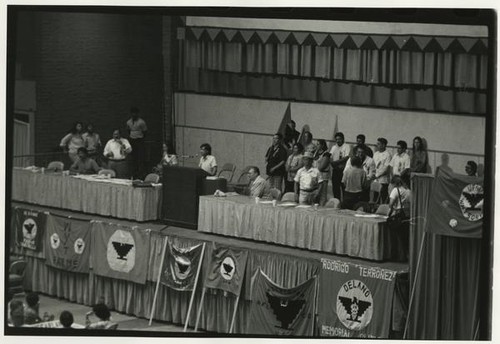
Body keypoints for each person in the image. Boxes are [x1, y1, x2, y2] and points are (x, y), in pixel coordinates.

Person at [126, 106, 148, 179]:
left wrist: (141, 138)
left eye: (135, 113)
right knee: (133, 158)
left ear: (137, 114)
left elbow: (145, 132)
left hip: (139, 140)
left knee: (140, 158)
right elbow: (128, 130)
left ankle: (141, 174)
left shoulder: (141, 122)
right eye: (132, 113)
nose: (134, 115)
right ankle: (134, 174)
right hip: (132, 141)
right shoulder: (129, 122)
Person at [330, 132, 351, 200]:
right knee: (335, 189)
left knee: (344, 188)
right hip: (335, 170)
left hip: (343, 171)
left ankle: (344, 204)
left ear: (343, 139)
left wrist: (336, 162)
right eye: (336, 139)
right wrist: (333, 164)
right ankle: (337, 204)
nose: (338, 141)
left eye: (339, 139)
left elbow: (347, 157)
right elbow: (330, 157)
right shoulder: (334, 147)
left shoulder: (346, 146)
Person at [373, 137, 392, 203]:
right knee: (375, 198)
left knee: (383, 197)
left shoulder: (388, 155)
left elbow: (386, 169)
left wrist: (377, 175)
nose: (377, 145)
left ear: (383, 145)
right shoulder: (375, 154)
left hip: (383, 180)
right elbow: (373, 165)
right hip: (375, 179)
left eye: (378, 144)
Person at [313, 139, 331, 206]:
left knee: (322, 194)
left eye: (318, 144)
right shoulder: (316, 153)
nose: (316, 146)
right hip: (316, 176)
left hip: (323, 176)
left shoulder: (326, 154)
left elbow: (321, 167)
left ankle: (322, 207)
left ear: (322, 145)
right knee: (315, 194)